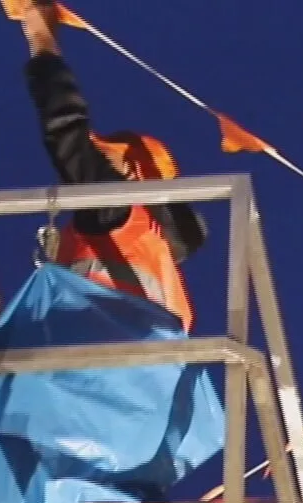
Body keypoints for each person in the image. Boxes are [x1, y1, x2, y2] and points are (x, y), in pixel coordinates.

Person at [17, 0, 206, 330]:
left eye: (107, 155)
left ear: (135, 172)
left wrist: (39, 35)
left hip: (89, 365)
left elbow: (65, 129)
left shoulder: (122, 218)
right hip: (135, 376)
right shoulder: (162, 268)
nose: (96, 157)